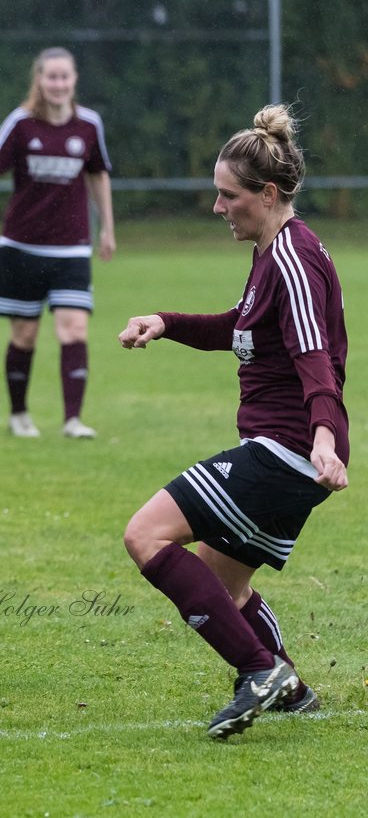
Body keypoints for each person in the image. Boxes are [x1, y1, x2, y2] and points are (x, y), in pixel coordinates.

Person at [118, 104, 347, 739]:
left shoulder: (294, 262)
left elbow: (316, 360)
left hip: (288, 451)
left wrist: (325, 436)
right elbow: (241, 328)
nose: (219, 208)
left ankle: (259, 671)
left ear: (267, 194)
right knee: (224, 585)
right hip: (293, 452)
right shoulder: (275, 253)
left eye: (229, 195)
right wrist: (167, 324)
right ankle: (290, 688)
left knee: (147, 536)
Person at [0, 46, 116, 439]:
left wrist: (107, 229)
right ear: (39, 79)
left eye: (64, 76)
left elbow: (99, 176)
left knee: (74, 330)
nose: (58, 83)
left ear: (74, 80)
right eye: (51, 77)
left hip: (71, 247)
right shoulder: (21, 123)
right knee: (25, 334)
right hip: (21, 247)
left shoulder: (89, 126)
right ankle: (19, 415)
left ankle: (72, 420)